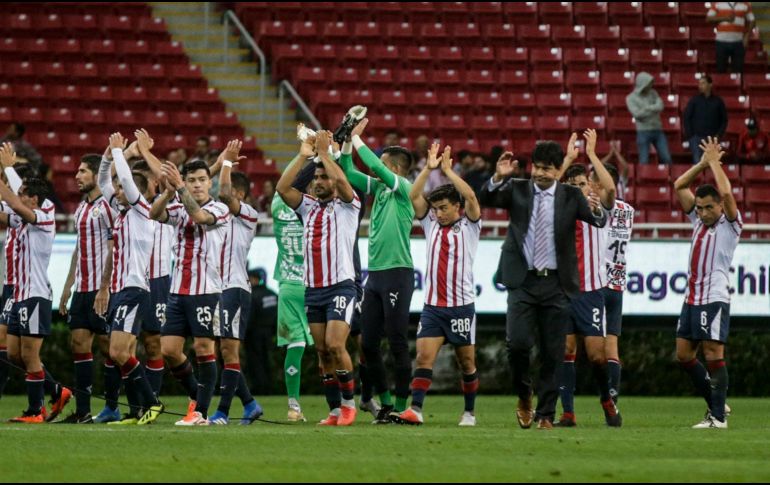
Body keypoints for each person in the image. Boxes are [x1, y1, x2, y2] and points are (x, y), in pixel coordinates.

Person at [479, 137, 607, 429]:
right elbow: (486, 198)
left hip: (556, 284)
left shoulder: (571, 196)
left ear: (556, 169)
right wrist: (498, 177)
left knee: (553, 352)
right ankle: (525, 396)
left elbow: (597, 220)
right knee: (517, 345)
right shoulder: (518, 188)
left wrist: (597, 208)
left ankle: (546, 414)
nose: (539, 173)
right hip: (522, 281)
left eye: (547, 168)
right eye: (536, 167)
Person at [276, 130, 361, 426]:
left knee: (337, 345)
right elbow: (282, 187)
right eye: (317, 179)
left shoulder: (350, 206)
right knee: (323, 351)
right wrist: (305, 155)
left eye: (325, 178)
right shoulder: (308, 207)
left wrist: (325, 154)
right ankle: (335, 409)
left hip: (341, 286)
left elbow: (343, 184)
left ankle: (350, 405)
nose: (320, 182)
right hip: (314, 289)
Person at [395, 144, 482, 427]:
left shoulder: (470, 225)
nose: (439, 213)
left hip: (461, 307)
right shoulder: (431, 223)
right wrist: (429, 170)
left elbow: (469, 194)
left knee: (466, 363)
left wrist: (447, 171)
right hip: (433, 306)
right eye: (436, 209)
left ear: (457, 207)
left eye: (444, 208)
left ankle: (469, 412)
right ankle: (416, 409)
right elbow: (412, 195)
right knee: (423, 356)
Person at [341, 119, 415, 423]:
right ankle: (385, 402)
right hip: (376, 276)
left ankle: (402, 404)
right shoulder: (380, 189)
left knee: (397, 340)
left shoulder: (402, 188)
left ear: (394, 169)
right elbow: (348, 172)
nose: (376, 169)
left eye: (383, 165)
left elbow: (374, 165)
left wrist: (358, 139)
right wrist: (346, 143)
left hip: (399, 272)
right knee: (368, 343)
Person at [150, 158, 231, 426]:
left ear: (210, 182)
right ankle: (199, 395)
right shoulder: (178, 205)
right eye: (191, 180)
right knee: (169, 350)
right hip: (178, 290)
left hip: (206, 289)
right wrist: (168, 191)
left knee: (203, 347)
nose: (197, 185)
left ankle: (201, 412)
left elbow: (199, 216)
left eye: (201, 180)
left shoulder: (220, 208)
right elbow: (154, 214)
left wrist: (180, 189)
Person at [95, 133, 164, 426]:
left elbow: (123, 178)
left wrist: (120, 153)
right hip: (123, 290)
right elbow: (102, 182)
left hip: (134, 290)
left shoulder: (142, 210)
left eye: (123, 188)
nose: (117, 191)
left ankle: (151, 403)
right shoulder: (123, 213)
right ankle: (138, 409)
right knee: (123, 353)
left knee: (117, 351)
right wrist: (109, 155)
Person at [554, 130, 621, 428]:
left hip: (592, 292)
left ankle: (607, 400)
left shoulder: (600, 209)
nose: (578, 189)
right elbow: (543, 193)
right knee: (566, 350)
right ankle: (567, 413)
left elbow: (610, 189)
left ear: (589, 185)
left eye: (582, 184)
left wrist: (592, 155)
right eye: (573, 185)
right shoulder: (561, 211)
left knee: (596, 356)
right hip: (564, 290)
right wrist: (568, 158)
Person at [673, 137, 741, 429]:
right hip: (692, 296)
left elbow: (725, 192)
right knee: (684, 354)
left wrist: (714, 162)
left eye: (707, 208)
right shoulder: (699, 222)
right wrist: (701, 163)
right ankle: (717, 402)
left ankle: (717, 417)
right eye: (699, 208)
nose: (701, 212)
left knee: (714, 352)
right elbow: (678, 186)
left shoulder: (730, 224)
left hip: (713, 296)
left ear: (719, 207)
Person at [0, 142, 70, 423]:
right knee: (15, 354)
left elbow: (15, 203)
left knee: (29, 355)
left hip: (35, 295)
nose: (15, 198)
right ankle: (55, 390)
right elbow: (11, 207)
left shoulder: (43, 216)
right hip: (19, 295)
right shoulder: (24, 215)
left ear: (33, 199)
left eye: (22, 194)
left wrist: (4, 170)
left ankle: (35, 410)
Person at [57, 154, 118, 424]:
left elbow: (113, 248)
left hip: (100, 288)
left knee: (110, 348)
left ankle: (114, 406)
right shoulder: (82, 208)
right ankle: (83, 411)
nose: (77, 176)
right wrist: (67, 287)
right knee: (79, 344)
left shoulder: (107, 207)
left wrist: (105, 287)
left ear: (95, 175)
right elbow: (78, 249)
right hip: (81, 288)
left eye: (82, 171)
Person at [206, 140, 263, 426]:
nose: (219, 193)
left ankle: (223, 412)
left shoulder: (248, 215)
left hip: (236, 288)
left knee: (228, 349)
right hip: (217, 288)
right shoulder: (215, 215)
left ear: (240, 193)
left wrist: (225, 163)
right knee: (218, 351)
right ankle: (250, 404)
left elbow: (224, 192)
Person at [271, 150, 315, 422]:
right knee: (330, 346)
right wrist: (321, 158)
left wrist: (301, 156)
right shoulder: (312, 206)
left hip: (289, 283)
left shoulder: (277, 204)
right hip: (318, 283)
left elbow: (283, 185)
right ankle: (344, 404)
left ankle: (293, 406)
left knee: (295, 345)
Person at [243, 268, 277, 398]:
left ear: (255, 279)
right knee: (267, 360)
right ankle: (268, 387)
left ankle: (258, 388)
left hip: (254, 334)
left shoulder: (252, 295)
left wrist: (243, 334)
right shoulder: (273, 294)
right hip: (269, 333)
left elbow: (249, 318)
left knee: (255, 362)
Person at [625, 72, 672, 165]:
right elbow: (637, 114)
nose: (651, 85)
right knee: (644, 160)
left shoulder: (653, 93)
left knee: (666, 158)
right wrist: (653, 108)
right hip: (643, 131)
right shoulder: (631, 98)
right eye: (649, 83)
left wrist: (646, 108)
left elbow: (660, 106)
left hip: (658, 130)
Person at [683, 75, 728, 164]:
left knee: (712, 164)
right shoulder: (694, 100)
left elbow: (724, 120)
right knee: (697, 164)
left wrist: (718, 135)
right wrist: (691, 135)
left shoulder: (718, 101)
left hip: (712, 139)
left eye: (703, 83)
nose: (700, 86)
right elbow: (686, 117)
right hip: (696, 138)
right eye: (699, 83)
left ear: (710, 85)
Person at [707, 2, 756, 74]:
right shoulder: (717, 3)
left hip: (738, 42)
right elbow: (708, 19)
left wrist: (747, 36)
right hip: (721, 42)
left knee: (738, 70)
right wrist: (724, 18)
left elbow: (752, 20)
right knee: (721, 69)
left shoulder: (745, 4)